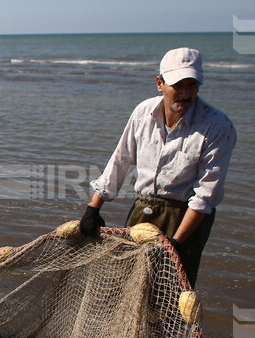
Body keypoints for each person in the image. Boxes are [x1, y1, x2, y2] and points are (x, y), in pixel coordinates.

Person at [79, 47, 236, 288]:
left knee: (169, 291)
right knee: (127, 281)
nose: (185, 94)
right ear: (160, 83)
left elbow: (205, 195)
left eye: (191, 85)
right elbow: (121, 160)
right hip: (144, 208)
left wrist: (178, 243)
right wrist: (93, 208)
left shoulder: (217, 126)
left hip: (186, 216)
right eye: (178, 85)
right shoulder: (143, 113)